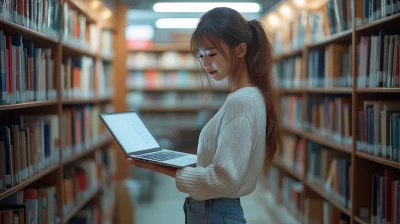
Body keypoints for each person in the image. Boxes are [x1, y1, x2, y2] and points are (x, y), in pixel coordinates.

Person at [127, 7, 282, 224]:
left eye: (212, 54)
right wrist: (168, 163)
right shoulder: (252, 95)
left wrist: (162, 169)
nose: (205, 63)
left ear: (241, 50)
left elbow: (223, 179)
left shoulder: (241, 101)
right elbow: (224, 166)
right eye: (200, 55)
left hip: (214, 212)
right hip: (218, 211)